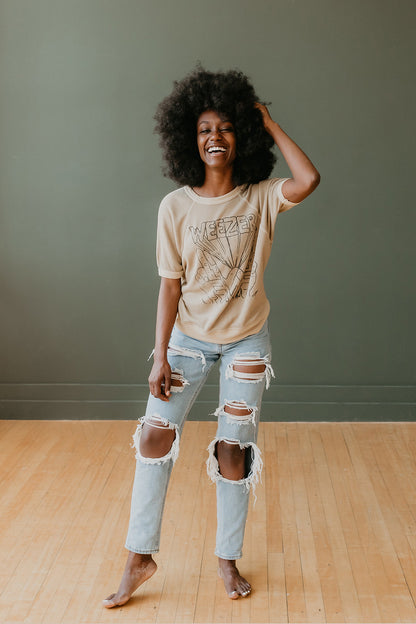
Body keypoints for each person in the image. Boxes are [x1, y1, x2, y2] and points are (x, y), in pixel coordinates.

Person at [103, 67, 320, 608]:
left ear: (240, 136)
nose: (214, 137)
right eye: (204, 129)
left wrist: (269, 122)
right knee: (153, 438)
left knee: (233, 451)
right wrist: (160, 356)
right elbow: (169, 287)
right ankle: (138, 557)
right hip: (188, 341)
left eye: (225, 127)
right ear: (190, 140)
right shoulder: (174, 207)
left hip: (247, 341)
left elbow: (308, 178)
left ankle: (227, 558)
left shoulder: (262, 197)